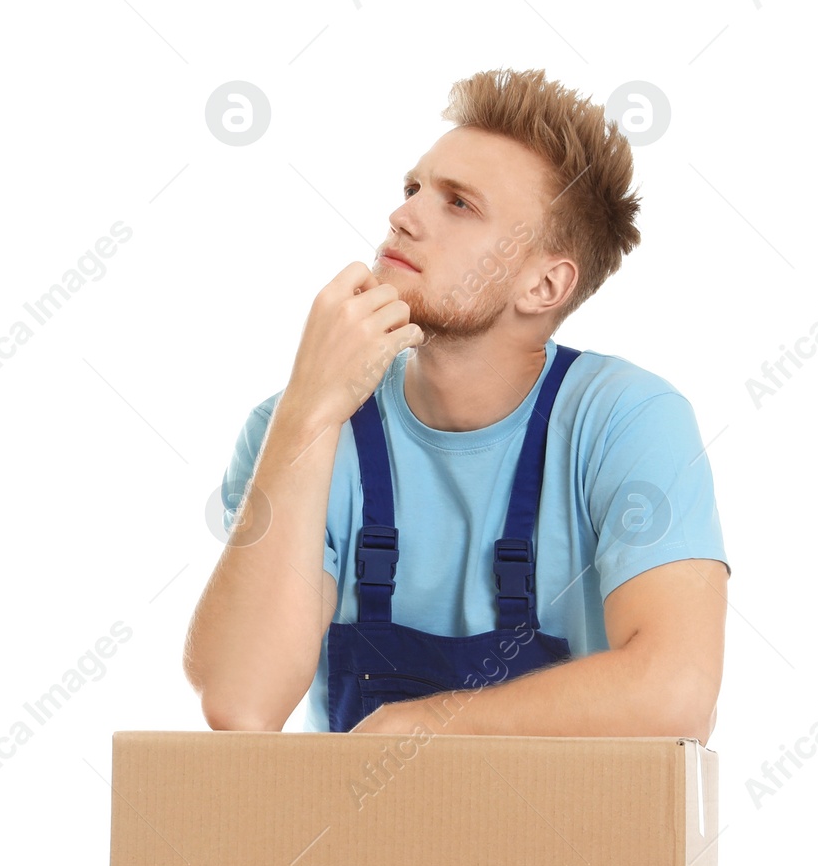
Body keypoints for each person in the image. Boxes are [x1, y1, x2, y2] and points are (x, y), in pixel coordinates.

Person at [185, 66, 730, 739]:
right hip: (353, 843)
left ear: (543, 285)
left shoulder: (624, 420)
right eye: (413, 188)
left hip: (565, 842)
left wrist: (426, 729)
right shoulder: (297, 428)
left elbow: (676, 693)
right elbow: (241, 704)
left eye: (458, 203)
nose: (402, 215)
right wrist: (310, 410)